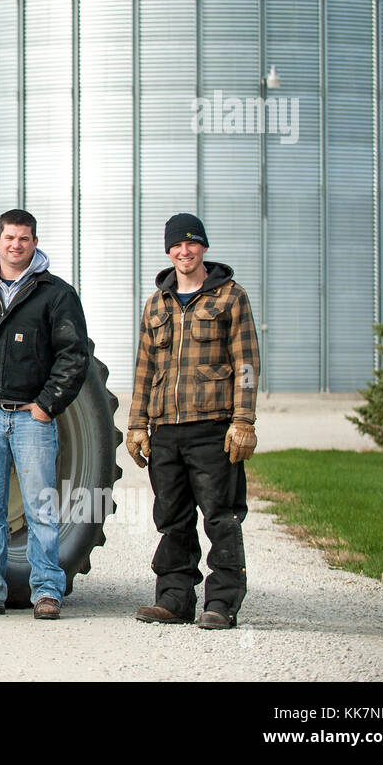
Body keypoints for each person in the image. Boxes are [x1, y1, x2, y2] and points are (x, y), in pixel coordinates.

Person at [0, 208, 89, 620]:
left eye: (24, 239)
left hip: (31, 420)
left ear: (34, 243)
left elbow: (72, 356)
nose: (16, 245)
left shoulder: (56, 295)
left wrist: (46, 406)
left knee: (41, 507)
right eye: (10, 237)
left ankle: (47, 592)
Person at [126, 213, 260, 630]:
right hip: (165, 430)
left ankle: (221, 603)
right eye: (177, 245)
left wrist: (244, 421)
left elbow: (247, 364)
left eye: (192, 244)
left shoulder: (230, 297)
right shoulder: (157, 304)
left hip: (213, 429)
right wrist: (136, 424)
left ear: (203, 247)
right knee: (172, 518)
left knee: (220, 517)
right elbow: (144, 368)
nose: (184, 251)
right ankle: (174, 598)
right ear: (169, 251)